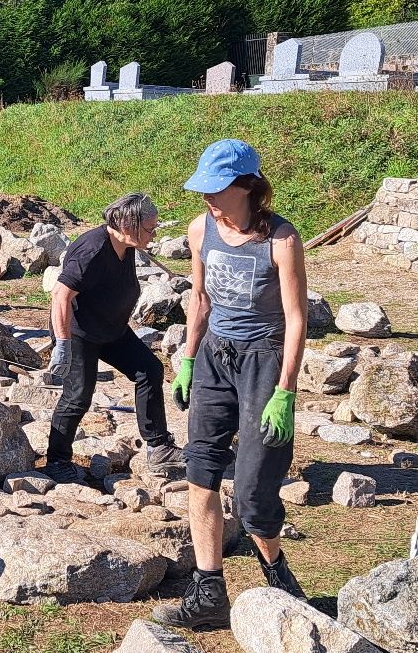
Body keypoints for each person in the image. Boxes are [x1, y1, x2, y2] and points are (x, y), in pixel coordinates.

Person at [153, 139, 308, 630]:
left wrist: (285, 390)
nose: (207, 199)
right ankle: (208, 592)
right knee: (200, 473)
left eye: (216, 190)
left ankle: (276, 572)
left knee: (253, 493)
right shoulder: (201, 230)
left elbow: (296, 318)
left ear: (246, 186)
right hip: (215, 358)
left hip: (264, 360)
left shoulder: (280, 240)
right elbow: (199, 298)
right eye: (203, 189)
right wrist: (188, 359)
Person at [41, 193, 185, 485]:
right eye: (150, 228)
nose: (154, 234)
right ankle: (56, 460)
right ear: (129, 225)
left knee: (150, 371)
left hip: (112, 329)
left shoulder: (127, 244)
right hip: (80, 332)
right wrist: (63, 345)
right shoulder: (92, 251)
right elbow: (60, 295)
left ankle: (158, 447)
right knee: (78, 396)